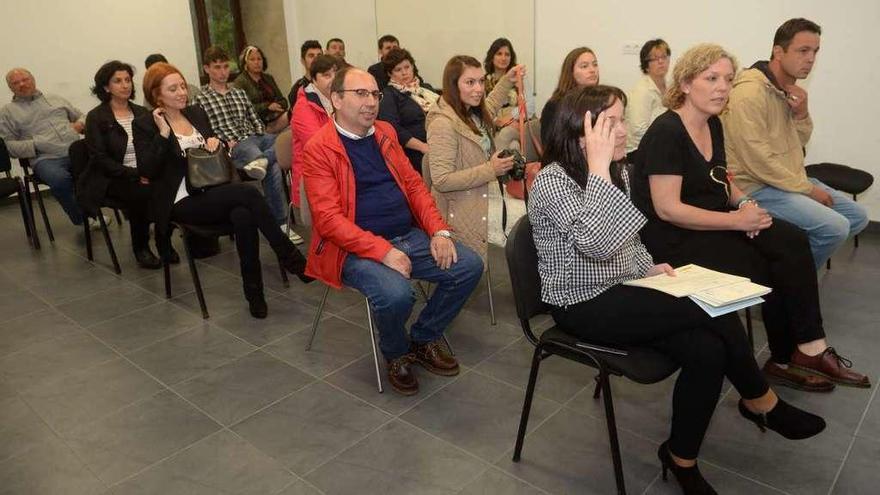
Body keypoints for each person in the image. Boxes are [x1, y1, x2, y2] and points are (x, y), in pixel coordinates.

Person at [530, 83, 825, 495]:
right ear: (580, 133)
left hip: (627, 285)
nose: (621, 132)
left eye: (622, 120)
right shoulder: (552, 181)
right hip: (581, 303)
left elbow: (628, 240)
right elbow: (595, 246)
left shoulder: (622, 171)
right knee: (707, 305)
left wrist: (647, 266)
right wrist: (599, 172)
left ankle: (680, 457)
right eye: (609, 124)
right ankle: (761, 401)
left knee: (707, 349)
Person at [630, 43, 870, 391]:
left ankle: (808, 348)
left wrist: (744, 205)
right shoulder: (667, 131)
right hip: (671, 239)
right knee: (769, 265)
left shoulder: (712, 125)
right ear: (684, 84)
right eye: (711, 78)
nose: (722, 87)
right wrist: (735, 222)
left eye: (727, 79)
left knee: (791, 240)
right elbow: (669, 209)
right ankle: (784, 357)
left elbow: (722, 180)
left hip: (709, 223)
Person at [302, 67, 483, 396]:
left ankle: (424, 338)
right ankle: (396, 352)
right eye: (361, 94)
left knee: (469, 266)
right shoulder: (319, 148)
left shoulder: (384, 132)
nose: (371, 102)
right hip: (353, 249)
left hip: (406, 235)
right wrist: (382, 251)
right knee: (397, 294)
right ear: (337, 99)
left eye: (374, 94)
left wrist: (439, 232)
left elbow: (415, 187)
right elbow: (328, 220)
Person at [133, 62, 311, 319]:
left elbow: (216, 153)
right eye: (173, 89)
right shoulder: (145, 124)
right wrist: (162, 135)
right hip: (181, 200)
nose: (182, 92)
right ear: (156, 95)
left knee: (244, 214)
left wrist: (217, 144)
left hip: (211, 190)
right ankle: (291, 258)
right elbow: (147, 170)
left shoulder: (195, 113)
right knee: (249, 194)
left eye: (183, 85)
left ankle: (255, 296)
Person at [721, 18, 868, 269]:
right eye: (803, 51)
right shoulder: (749, 93)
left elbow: (797, 143)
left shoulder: (783, 89)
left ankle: (787, 275)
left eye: (815, 52)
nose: (811, 59)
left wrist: (801, 114)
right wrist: (808, 190)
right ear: (778, 52)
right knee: (835, 227)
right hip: (756, 186)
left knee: (857, 216)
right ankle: (790, 283)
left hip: (785, 178)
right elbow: (758, 161)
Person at [194, 47, 298, 243]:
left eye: (225, 67)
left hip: (257, 137)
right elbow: (204, 132)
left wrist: (261, 133)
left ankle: (262, 160)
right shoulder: (200, 99)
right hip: (234, 145)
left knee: (291, 138)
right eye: (217, 67)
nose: (223, 72)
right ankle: (282, 225)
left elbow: (254, 119)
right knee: (273, 167)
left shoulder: (239, 93)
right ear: (207, 69)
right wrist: (225, 143)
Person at [424, 55, 521, 262]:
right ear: (453, 85)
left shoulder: (470, 112)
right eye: (470, 82)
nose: (479, 89)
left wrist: (508, 80)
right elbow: (441, 180)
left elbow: (491, 104)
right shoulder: (442, 124)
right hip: (459, 207)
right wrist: (490, 170)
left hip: (480, 191)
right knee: (526, 220)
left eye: (481, 81)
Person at [82, 60, 163, 268]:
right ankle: (142, 248)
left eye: (128, 80)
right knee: (141, 193)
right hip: (112, 177)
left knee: (170, 184)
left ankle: (165, 241)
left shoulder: (143, 113)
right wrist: (135, 174)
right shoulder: (96, 117)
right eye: (118, 81)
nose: (125, 85)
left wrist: (149, 171)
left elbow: (155, 148)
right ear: (106, 87)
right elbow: (100, 159)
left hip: (145, 171)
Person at [0, 68, 93, 227]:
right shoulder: (7, 113)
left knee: (107, 165)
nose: (22, 84)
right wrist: (36, 144)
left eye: (25, 79)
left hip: (75, 150)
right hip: (45, 159)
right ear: (11, 88)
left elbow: (84, 116)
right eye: (16, 82)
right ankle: (85, 219)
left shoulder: (56, 99)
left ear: (33, 79)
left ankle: (128, 210)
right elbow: (8, 146)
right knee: (59, 179)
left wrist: (79, 124)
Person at [377, 48, 439, 173]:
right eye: (398, 70)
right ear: (390, 73)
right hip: (415, 152)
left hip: (441, 142)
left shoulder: (426, 88)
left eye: (407, 67)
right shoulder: (388, 95)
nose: (404, 73)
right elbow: (392, 128)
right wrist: (422, 147)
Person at [290, 54, 338, 209]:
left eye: (336, 74)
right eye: (326, 75)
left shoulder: (337, 99)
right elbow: (319, 146)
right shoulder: (303, 106)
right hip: (313, 180)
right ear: (313, 79)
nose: (333, 79)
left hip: (335, 172)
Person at [484, 38, 536, 155]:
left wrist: (511, 118)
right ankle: (511, 171)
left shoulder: (519, 76)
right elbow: (483, 109)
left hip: (519, 125)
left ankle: (495, 170)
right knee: (514, 146)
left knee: (506, 133)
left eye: (507, 54)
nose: (503, 58)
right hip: (494, 128)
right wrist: (497, 121)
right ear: (492, 57)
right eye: (499, 54)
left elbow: (531, 107)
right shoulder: (484, 81)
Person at [540, 47, 600, 145]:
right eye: (584, 66)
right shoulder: (555, 105)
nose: (592, 70)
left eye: (595, 65)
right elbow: (550, 146)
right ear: (570, 72)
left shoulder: (602, 101)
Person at [626, 39, 670, 154]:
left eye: (664, 57)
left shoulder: (671, 86)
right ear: (646, 65)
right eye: (655, 59)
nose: (661, 62)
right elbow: (638, 130)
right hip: (641, 150)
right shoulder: (641, 91)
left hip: (663, 145)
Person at [233, 45, 289, 134]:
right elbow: (243, 109)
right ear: (245, 63)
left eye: (259, 59)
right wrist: (267, 107)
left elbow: (283, 100)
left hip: (276, 117)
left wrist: (277, 105)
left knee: (296, 115)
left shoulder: (268, 78)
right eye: (252, 59)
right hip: (256, 124)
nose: (257, 62)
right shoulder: (240, 82)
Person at [287, 40, 323, 110]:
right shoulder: (298, 89)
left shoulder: (329, 84)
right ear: (303, 61)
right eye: (311, 56)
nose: (316, 59)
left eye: (319, 55)